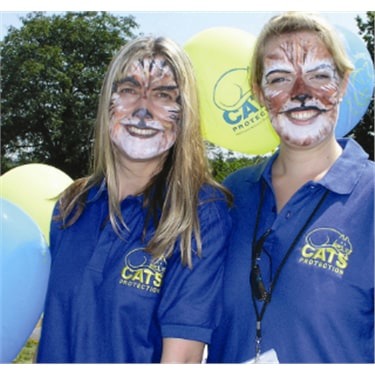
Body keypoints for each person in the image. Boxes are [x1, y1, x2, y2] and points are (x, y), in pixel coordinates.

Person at [36, 35, 232, 363]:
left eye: (162, 95)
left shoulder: (202, 213)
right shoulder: (73, 205)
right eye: (128, 90)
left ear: (184, 113)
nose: (143, 110)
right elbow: (51, 333)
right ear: (107, 103)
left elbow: (181, 361)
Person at [207, 12, 374, 363]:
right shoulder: (230, 195)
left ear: (343, 84)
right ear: (258, 92)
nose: (301, 93)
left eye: (319, 75)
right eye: (280, 78)